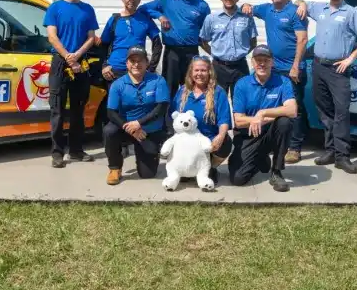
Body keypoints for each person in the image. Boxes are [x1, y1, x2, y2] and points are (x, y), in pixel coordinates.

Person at [294, 0, 357, 174]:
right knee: (325, 112)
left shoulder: (351, 12)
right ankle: (329, 151)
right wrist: (302, 3)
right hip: (319, 67)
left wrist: (351, 57)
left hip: (338, 70)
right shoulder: (319, 8)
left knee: (341, 114)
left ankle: (342, 156)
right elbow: (298, 1)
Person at [240, 0, 309, 164]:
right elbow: (248, 8)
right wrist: (245, 5)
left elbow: (302, 40)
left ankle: (294, 147)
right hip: (274, 68)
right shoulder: (267, 9)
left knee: (295, 109)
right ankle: (276, 143)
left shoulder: (296, 11)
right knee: (275, 107)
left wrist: (295, 66)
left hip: (292, 69)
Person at [44, 0, 100, 168]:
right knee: (57, 110)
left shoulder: (87, 10)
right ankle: (57, 153)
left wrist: (77, 55)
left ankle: (76, 150)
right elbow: (52, 36)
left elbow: (91, 37)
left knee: (78, 109)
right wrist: (68, 56)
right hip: (60, 62)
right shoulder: (55, 8)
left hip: (81, 62)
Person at [138, 0, 211, 100]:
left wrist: (212, 53)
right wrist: (160, 16)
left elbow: (205, 33)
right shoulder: (167, 0)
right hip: (172, 52)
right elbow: (143, 9)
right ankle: (167, 120)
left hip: (191, 51)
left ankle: (190, 118)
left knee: (192, 86)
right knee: (169, 87)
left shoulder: (202, 5)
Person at [229, 46, 296, 192]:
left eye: (266, 60)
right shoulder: (242, 84)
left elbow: (292, 110)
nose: (262, 64)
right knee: (238, 179)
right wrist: (254, 120)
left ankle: (276, 171)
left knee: (285, 122)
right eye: (258, 60)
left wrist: (262, 114)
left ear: (272, 63)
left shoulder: (283, 82)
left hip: (270, 133)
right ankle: (260, 159)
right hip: (248, 136)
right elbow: (238, 120)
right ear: (252, 62)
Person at [103, 46, 171, 185]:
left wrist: (139, 123)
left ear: (147, 63)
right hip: (126, 127)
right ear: (127, 64)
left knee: (147, 174)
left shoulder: (158, 81)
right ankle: (115, 168)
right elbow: (111, 112)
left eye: (140, 61)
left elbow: (161, 107)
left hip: (148, 130)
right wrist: (130, 127)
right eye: (132, 61)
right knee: (109, 131)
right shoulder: (118, 84)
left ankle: (148, 155)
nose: (136, 64)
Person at [171, 55, 233, 185]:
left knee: (226, 141)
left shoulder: (218, 92)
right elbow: (173, 117)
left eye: (203, 70)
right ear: (191, 72)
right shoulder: (182, 91)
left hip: (208, 142)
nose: (200, 74)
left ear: (209, 72)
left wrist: (221, 136)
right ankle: (187, 168)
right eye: (196, 70)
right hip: (187, 142)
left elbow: (224, 120)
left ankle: (210, 167)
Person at [199, 0, 257, 96]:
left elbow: (253, 42)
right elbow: (203, 41)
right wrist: (216, 53)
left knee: (242, 102)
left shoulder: (247, 17)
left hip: (240, 67)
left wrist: (240, 53)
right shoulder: (211, 18)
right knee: (217, 102)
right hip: (218, 67)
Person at [99, 0, 163, 81]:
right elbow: (103, 45)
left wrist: (151, 68)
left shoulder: (145, 19)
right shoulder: (114, 19)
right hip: (115, 70)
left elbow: (157, 44)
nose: (132, 0)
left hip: (137, 70)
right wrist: (104, 66)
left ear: (139, 1)